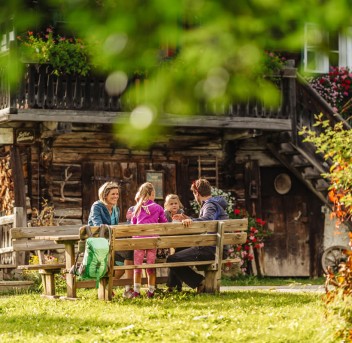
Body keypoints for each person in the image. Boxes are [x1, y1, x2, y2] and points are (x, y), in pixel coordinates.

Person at [167, 178, 229, 293]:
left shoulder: (209, 205)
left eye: (194, 194)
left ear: (197, 193)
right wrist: (187, 218)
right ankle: (173, 287)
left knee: (172, 259)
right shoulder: (214, 204)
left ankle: (199, 282)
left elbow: (206, 221)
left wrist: (190, 220)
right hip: (214, 247)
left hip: (211, 249)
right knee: (178, 249)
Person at [87, 181, 134, 298]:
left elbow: (116, 227)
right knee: (128, 254)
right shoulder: (97, 206)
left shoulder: (116, 209)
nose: (116, 196)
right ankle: (119, 287)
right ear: (105, 195)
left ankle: (124, 288)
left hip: (112, 242)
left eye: (117, 194)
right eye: (113, 194)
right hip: (98, 243)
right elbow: (98, 225)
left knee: (129, 254)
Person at [131, 182, 168, 298]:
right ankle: (151, 291)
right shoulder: (158, 208)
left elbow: (133, 225)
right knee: (150, 266)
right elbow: (164, 223)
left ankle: (136, 291)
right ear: (152, 194)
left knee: (137, 267)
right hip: (152, 242)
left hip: (139, 242)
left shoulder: (137, 208)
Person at [163, 194, 186, 292]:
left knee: (177, 259)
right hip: (167, 242)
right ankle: (172, 286)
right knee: (173, 259)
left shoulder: (181, 213)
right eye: (171, 204)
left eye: (176, 203)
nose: (174, 205)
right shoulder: (165, 214)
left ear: (179, 204)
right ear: (166, 206)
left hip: (180, 241)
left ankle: (175, 285)